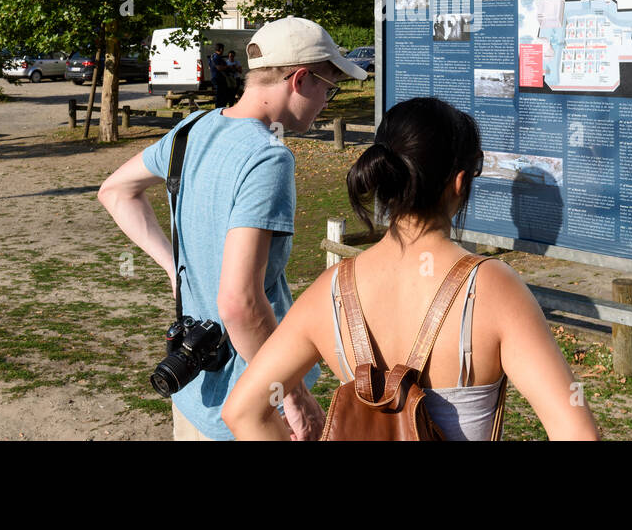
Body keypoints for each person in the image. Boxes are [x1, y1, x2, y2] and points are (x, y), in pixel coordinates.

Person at [222, 96, 599, 441]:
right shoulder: (492, 287)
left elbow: (243, 412)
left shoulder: (331, 290)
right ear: (460, 182)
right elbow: (577, 431)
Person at [98, 16, 366, 440]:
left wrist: (174, 268)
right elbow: (239, 304)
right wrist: (292, 397)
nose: (326, 103)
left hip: (193, 396)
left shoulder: (190, 130)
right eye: (328, 89)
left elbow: (115, 191)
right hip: (253, 410)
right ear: (300, 79)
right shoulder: (267, 158)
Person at [209, 43, 231, 108]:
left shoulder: (212, 56)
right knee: (221, 96)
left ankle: (219, 109)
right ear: (221, 49)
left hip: (215, 77)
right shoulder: (217, 57)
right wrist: (227, 67)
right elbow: (219, 68)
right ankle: (220, 110)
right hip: (219, 78)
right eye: (223, 49)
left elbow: (209, 67)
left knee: (220, 95)